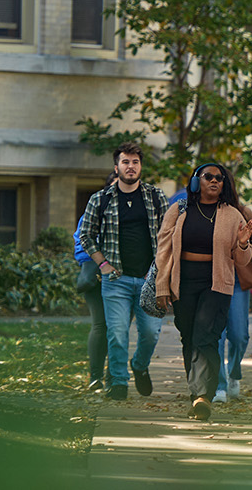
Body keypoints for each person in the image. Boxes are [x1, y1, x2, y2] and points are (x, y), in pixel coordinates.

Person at [154, 163, 252, 421]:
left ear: (224, 184)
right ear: (196, 180)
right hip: (184, 281)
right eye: (208, 177)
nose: (214, 181)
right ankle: (196, 394)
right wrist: (162, 286)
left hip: (216, 283)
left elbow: (242, 260)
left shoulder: (233, 215)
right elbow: (164, 250)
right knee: (189, 338)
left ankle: (204, 396)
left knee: (205, 336)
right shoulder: (179, 210)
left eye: (219, 178)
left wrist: (243, 243)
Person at [79, 143, 169, 401]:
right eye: (125, 162)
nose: (131, 167)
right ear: (116, 167)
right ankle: (118, 382)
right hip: (115, 280)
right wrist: (103, 264)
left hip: (150, 279)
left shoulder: (155, 197)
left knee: (151, 333)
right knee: (116, 333)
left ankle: (139, 366)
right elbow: (86, 235)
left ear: (141, 166)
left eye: (135, 162)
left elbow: (168, 236)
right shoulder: (101, 198)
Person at [75, 172, 119, 392]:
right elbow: (80, 244)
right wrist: (98, 265)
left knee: (117, 328)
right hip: (96, 277)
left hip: (123, 277)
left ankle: (115, 378)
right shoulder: (93, 211)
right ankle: (95, 377)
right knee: (101, 325)